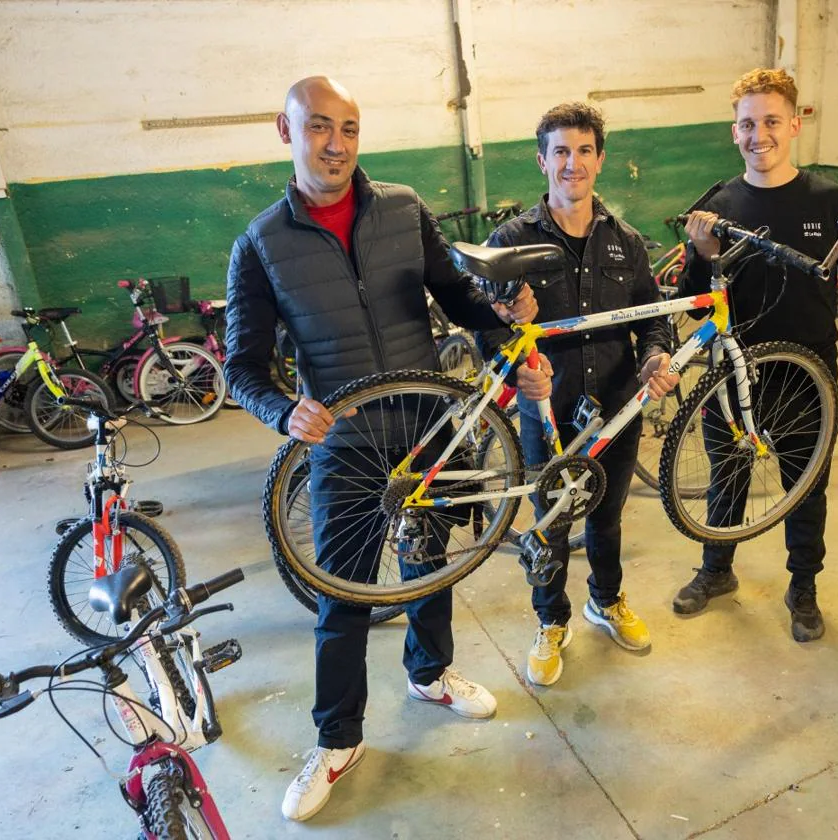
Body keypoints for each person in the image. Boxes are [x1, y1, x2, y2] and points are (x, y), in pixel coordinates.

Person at [224, 76, 548, 822]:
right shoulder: (261, 245)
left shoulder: (403, 209)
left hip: (429, 427)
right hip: (347, 444)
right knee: (345, 595)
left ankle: (431, 673)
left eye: (349, 129)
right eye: (318, 128)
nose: (335, 144)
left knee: (429, 564)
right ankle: (338, 739)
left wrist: (504, 318)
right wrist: (283, 410)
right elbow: (242, 367)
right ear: (286, 130)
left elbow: (457, 297)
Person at [673, 68, 838, 642]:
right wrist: (703, 254)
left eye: (772, 121)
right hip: (732, 373)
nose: (760, 134)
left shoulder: (829, 202)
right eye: (747, 124)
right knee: (728, 476)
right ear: (734, 132)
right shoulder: (717, 205)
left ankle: (803, 587)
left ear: (794, 124)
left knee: (807, 484)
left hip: (809, 376)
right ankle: (716, 570)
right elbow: (695, 307)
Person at [479, 102, 679, 687]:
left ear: (600, 159)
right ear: (542, 160)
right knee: (551, 522)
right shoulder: (510, 240)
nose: (573, 164)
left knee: (607, 516)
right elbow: (485, 324)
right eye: (561, 152)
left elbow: (655, 320)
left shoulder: (627, 242)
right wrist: (514, 369)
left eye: (584, 151)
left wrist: (655, 357)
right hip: (550, 410)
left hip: (617, 408)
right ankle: (551, 620)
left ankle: (606, 599)